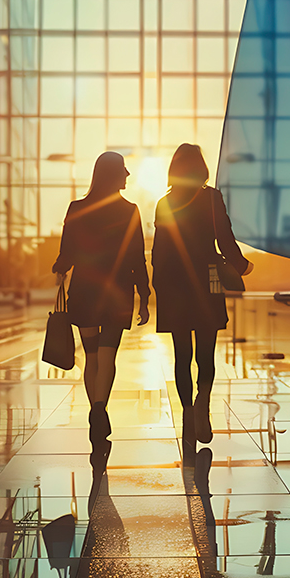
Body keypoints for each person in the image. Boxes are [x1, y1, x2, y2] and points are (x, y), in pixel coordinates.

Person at [151, 143, 252, 452]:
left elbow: (159, 250)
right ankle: (202, 404)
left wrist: (156, 286)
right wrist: (241, 265)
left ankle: (187, 412)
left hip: (174, 283)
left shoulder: (164, 203)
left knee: (182, 354)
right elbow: (224, 236)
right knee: (205, 351)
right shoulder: (211, 198)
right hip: (207, 279)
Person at [52, 151, 150, 463]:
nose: (129, 175)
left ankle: (95, 409)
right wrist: (144, 295)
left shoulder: (77, 208)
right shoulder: (130, 210)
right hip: (117, 292)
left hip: (85, 290)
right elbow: (137, 256)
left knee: (91, 356)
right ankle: (100, 409)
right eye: (124, 170)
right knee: (108, 355)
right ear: (113, 174)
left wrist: (60, 266)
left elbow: (66, 252)